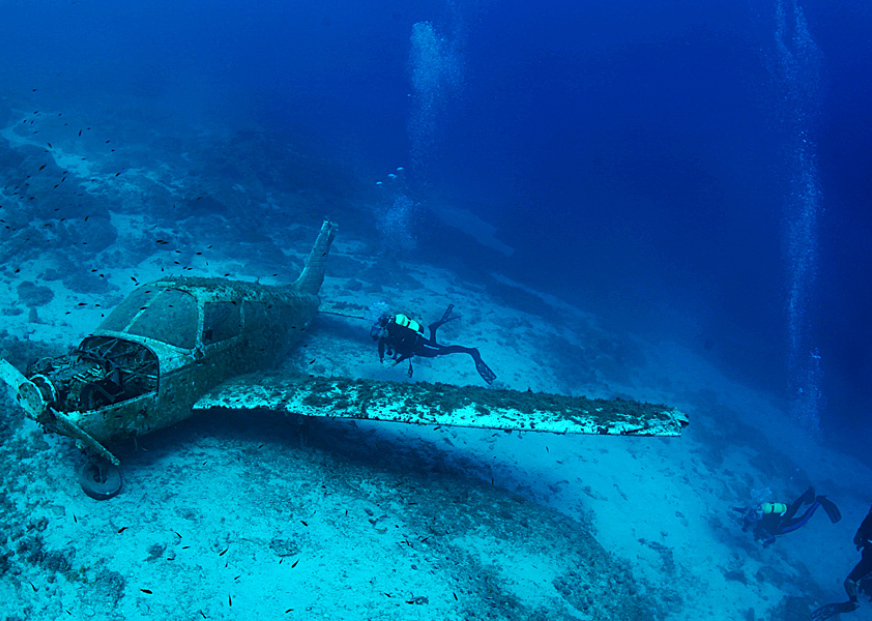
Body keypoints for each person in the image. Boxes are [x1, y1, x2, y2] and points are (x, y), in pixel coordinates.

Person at [370, 304, 496, 386]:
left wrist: (395, 362)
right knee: (433, 353)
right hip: (416, 349)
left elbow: (408, 351)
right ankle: (433, 328)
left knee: (442, 351)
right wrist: (381, 359)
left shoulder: (397, 332)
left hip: (419, 345)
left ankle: (471, 351)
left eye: (378, 331)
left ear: (384, 329)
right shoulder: (385, 335)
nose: (378, 335)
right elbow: (381, 344)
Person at [812, 503, 872, 620]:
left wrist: (862, 542)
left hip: (868, 558)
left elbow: (858, 537)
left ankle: (853, 601)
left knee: (850, 582)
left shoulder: (869, 520)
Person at [734, 486, 841, 547]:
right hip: (782, 515)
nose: (747, 527)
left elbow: (772, 539)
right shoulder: (754, 515)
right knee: (793, 508)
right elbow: (745, 510)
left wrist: (763, 542)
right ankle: (807, 493)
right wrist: (734, 508)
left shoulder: (762, 529)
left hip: (782, 527)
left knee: (803, 520)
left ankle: (818, 502)